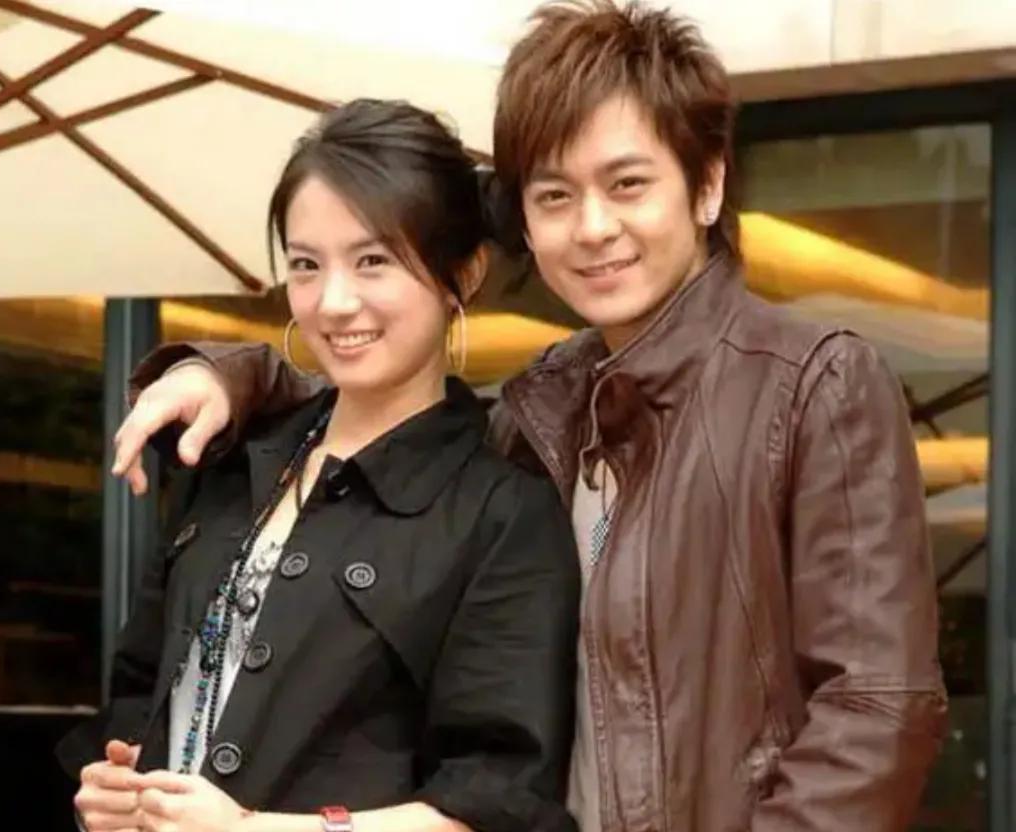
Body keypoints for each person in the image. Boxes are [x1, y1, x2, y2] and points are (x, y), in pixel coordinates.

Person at [112, 2, 948, 829]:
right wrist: (235, 375)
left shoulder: (813, 383)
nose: (593, 227)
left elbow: (876, 712)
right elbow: (384, 412)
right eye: (555, 195)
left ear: (706, 185)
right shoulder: (547, 405)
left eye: (627, 184)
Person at [59, 98, 581, 832]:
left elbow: (496, 800)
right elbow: (139, 700)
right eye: (306, 265)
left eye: (373, 261)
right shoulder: (235, 462)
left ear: (462, 274)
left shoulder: (502, 515)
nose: (333, 302)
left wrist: (253, 831)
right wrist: (113, 793)